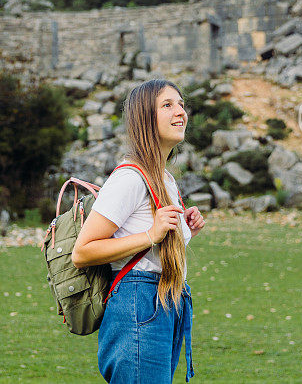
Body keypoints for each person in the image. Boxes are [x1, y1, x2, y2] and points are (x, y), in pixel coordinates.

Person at [72, 79, 206, 383]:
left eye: (182, 104)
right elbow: (83, 251)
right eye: (168, 105)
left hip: (165, 301)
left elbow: (154, 245)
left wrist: (184, 230)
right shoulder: (129, 178)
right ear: (145, 117)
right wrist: (151, 235)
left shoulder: (164, 178)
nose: (180, 112)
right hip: (138, 303)